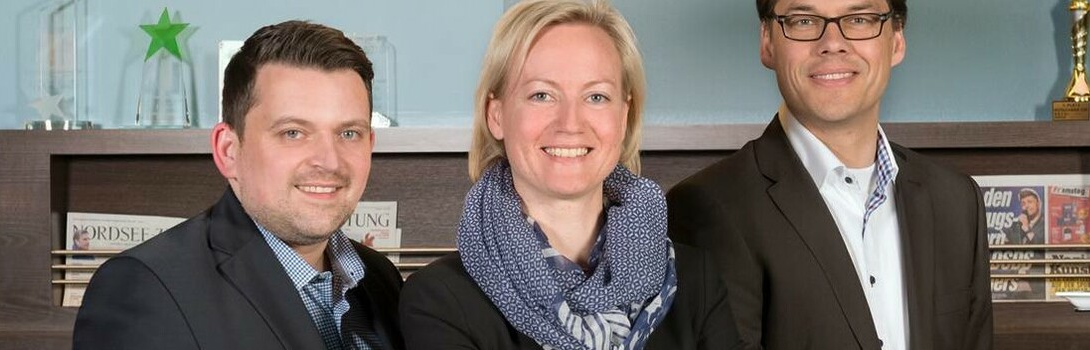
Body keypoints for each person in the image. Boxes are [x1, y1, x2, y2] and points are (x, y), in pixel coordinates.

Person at [400, 0, 739, 348]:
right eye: (542, 95)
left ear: (624, 116)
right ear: (496, 114)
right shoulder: (440, 301)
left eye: (596, 96)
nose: (570, 123)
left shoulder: (694, 281)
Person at [665, 0, 993, 348]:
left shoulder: (957, 202)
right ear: (767, 42)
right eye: (804, 20)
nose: (833, 42)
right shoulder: (707, 208)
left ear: (897, 39)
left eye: (860, 19)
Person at [73, 20, 402, 350]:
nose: (329, 161)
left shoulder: (381, 280)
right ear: (228, 151)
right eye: (293, 133)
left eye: (349, 134)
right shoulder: (145, 287)